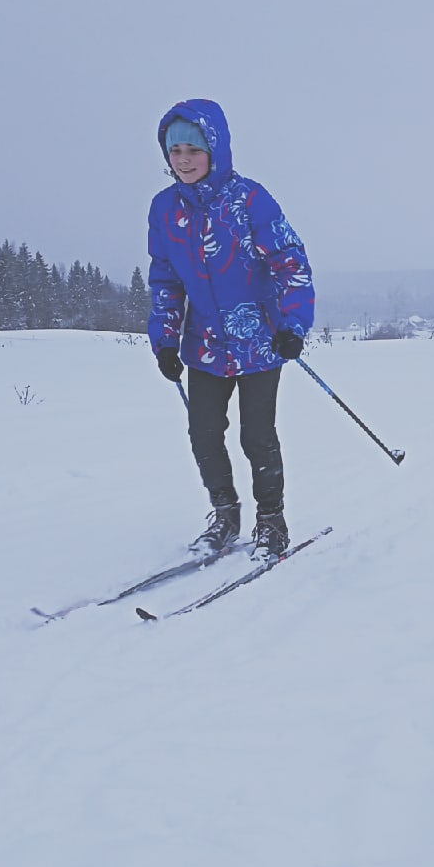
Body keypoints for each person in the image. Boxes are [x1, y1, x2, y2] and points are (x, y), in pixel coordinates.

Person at [148, 98, 314, 560]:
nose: (183, 160)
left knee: (256, 435)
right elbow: (165, 280)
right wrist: (165, 340)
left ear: (215, 151)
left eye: (194, 150)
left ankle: (271, 520)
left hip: (260, 340)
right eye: (175, 150)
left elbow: (291, 264)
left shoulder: (250, 200)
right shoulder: (165, 210)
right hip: (204, 345)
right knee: (203, 433)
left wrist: (293, 324)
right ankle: (225, 514)